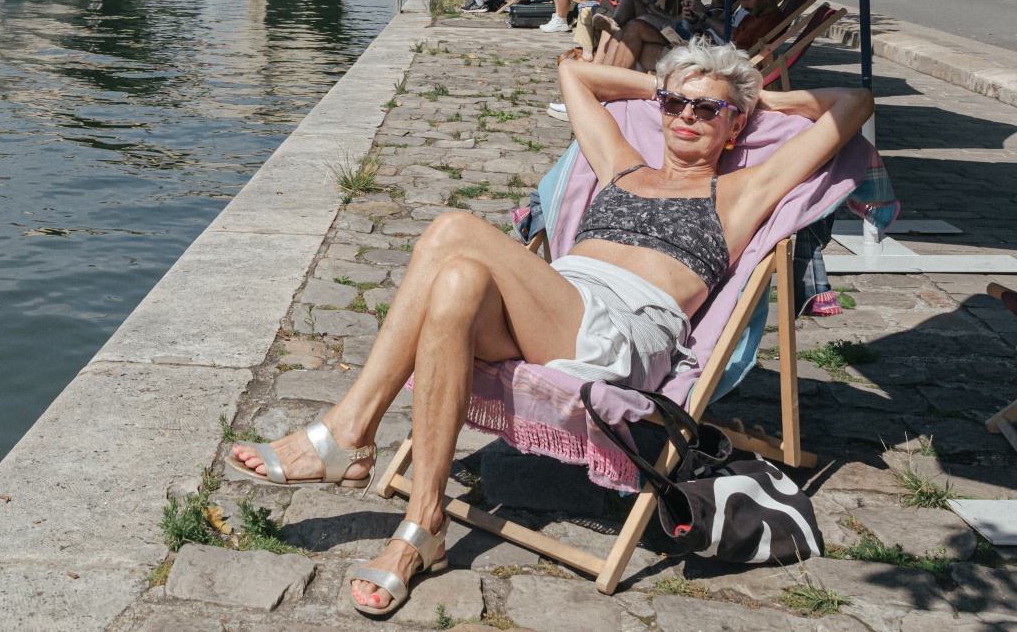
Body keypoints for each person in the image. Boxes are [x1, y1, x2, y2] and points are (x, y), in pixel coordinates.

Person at [229, 42, 872, 618]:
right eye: (677, 103)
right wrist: (668, 85)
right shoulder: (623, 164)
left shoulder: (743, 191)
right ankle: (421, 527)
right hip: (556, 308)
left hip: (622, 333)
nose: (686, 117)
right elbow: (574, 76)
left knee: (454, 229)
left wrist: (760, 98)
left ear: (735, 128)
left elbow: (853, 103)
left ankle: (349, 431)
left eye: (708, 112)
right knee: (453, 284)